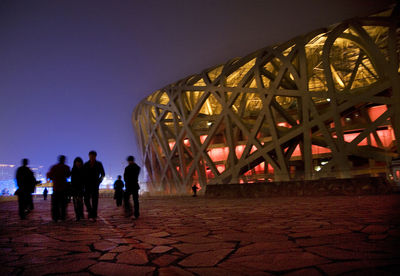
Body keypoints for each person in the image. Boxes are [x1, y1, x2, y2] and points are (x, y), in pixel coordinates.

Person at [47, 155, 71, 222]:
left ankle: (55, 217)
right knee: (63, 204)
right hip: (63, 188)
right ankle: (63, 217)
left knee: (55, 205)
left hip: (56, 188)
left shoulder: (54, 167)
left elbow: (50, 176)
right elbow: (68, 175)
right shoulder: (66, 167)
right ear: (64, 160)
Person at [83, 151, 105, 221]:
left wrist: (99, 181)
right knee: (86, 200)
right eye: (90, 156)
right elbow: (82, 174)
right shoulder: (86, 164)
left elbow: (103, 174)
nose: (92, 157)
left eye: (93, 156)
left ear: (95, 156)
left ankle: (93, 215)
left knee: (95, 201)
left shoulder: (99, 164)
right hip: (87, 185)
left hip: (95, 184)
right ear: (89, 156)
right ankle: (90, 212)